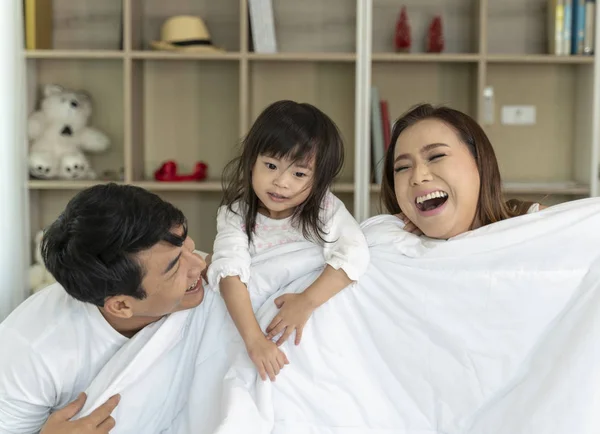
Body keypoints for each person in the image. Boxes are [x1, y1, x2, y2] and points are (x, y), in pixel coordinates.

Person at [0, 183, 208, 433]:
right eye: (175, 267)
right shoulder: (29, 354)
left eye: (186, 243)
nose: (199, 263)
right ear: (121, 306)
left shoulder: (212, 281)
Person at [206, 100, 370, 382]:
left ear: (318, 180)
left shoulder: (325, 209)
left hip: (306, 330)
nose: (281, 182)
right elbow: (228, 273)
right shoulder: (236, 214)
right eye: (270, 165)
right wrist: (255, 341)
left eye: (299, 174)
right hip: (254, 327)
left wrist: (306, 301)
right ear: (251, 161)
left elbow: (354, 253)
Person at [380, 103, 538, 236]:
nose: (418, 177)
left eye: (436, 156)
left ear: (480, 161)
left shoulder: (535, 224)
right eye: (402, 167)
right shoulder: (384, 245)